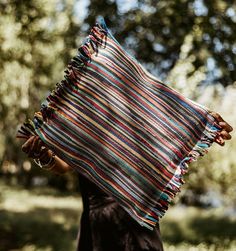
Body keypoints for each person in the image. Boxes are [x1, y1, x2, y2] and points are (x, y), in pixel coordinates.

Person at [21, 111, 233, 251]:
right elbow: (63, 166)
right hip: (97, 224)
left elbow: (172, 131)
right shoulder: (82, 124)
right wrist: (44, 155)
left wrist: (204, 125)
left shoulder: (137, 120)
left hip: (138, 219)